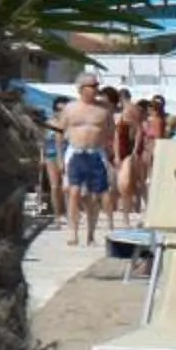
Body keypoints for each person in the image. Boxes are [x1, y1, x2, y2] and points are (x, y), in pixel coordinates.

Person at [54, 79, 114, 245]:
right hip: (76, 152)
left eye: (97, 86)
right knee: (73, 192)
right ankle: (73, 233)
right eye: (93, 86)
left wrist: (111, 156)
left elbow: (111, 133)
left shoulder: (104, 109)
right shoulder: (70, 108)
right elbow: (59, 134)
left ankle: (90, 234)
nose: (96, 89)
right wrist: (59, 158)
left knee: (93, 197)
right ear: (82, 89)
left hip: (96, 153)